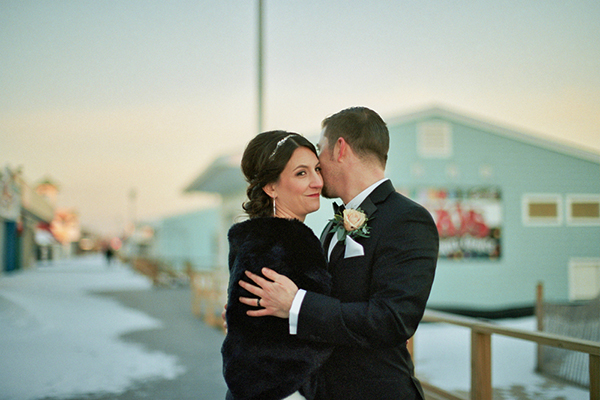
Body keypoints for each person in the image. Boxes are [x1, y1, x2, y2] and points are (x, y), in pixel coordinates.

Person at [239, 107, 439, 399]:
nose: (317, 167)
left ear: (340, 148)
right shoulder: (331, 228)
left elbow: (392, 320)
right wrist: (251, 323)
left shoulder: (407, 219)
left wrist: (297, 304)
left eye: (320, 151)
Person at [222, 131, 333, 400]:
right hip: (285, 391)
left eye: (317, 169)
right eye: (301, 174)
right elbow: (303, 338)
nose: (317, 181)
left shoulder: (255, 239)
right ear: (271, 187)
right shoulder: (289, 243)